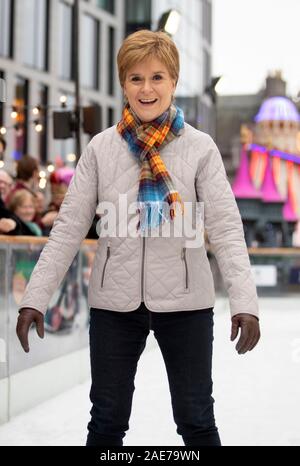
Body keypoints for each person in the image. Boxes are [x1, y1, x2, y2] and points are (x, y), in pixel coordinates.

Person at [16, 30, 260, 447]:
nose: (147, 88)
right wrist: (35, 297)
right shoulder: (101, 149)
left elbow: (226, 229)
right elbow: (67, 230)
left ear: (174, 82)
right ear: (123, 84)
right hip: (114, 304)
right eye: (136, 78)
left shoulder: (199, 148)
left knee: (196, 419)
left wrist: (246, 303)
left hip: (187, 303)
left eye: (158, 77)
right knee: (106, 421)